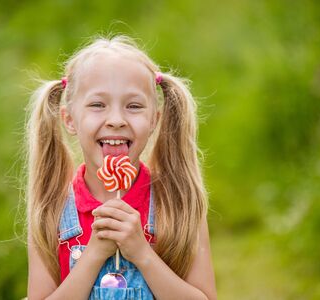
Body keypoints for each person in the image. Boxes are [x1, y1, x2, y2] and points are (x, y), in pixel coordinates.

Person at [26, 35, 217, 299]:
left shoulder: (179, 203)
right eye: (97, 105)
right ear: (69, 120)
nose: (116, 120)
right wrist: (93, 255)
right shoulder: (50, 210)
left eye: (134, 106)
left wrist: (142, 253)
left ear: (154, 120)